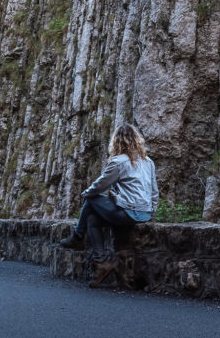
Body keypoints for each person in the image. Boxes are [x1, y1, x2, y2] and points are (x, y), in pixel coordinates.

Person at [59, 123, 159, 287]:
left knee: (92, 198)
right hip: (144, 213)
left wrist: (85, 194)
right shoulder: (148, 161)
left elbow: (100, 186)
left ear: (117, 141)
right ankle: (101, 264)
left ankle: (77, 236)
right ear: (136, 140)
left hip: (128, 213)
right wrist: (151, 213)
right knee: (92, 220)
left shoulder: (118, 161)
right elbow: (154, 191)